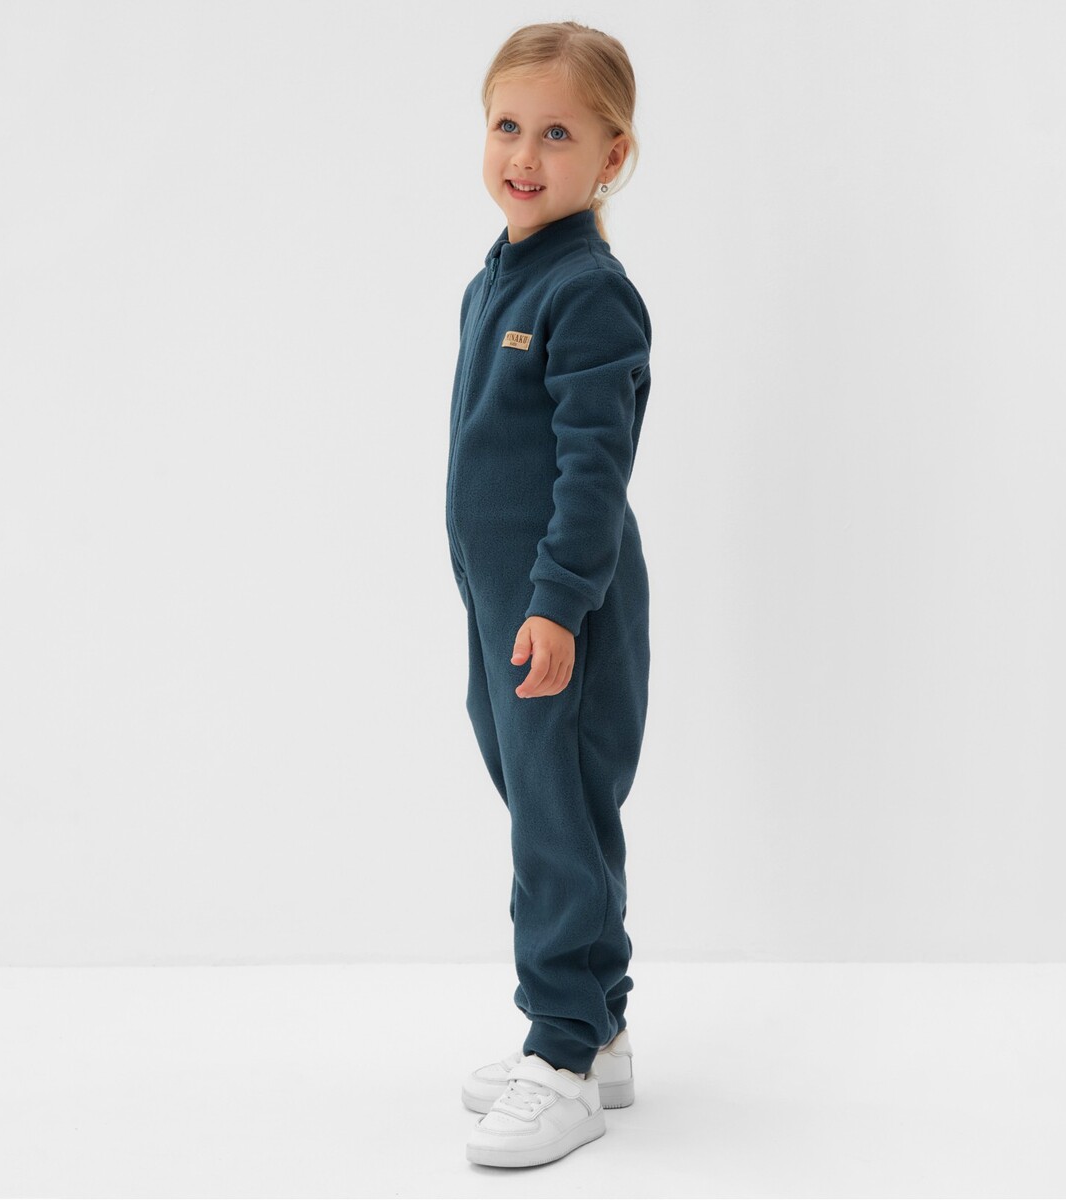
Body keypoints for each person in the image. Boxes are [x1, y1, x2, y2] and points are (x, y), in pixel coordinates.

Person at [445, 21, 653, 1169]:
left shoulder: (588, 292)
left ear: (612, 156)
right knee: (543, 801)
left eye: (559, 134)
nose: (525, 154)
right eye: (508, 125)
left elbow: (592, 467)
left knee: (557, 817)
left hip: (556, 607)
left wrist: (559, 602)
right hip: (503, 602)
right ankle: (599, 1028)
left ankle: (563, 1052)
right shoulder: (504, 273)